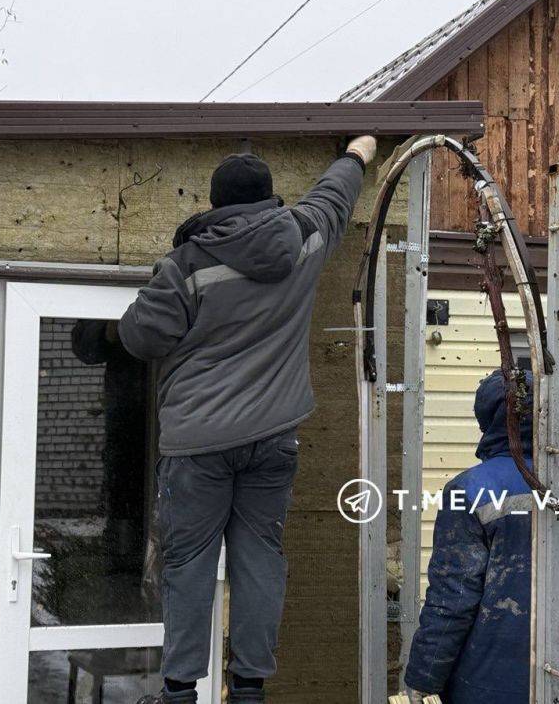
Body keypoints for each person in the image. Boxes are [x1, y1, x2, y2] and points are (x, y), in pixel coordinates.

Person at [118, 136, 378, 703]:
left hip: (198, 443)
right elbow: (335, 196)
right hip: (271, 438)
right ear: (269, 200)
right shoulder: (303, 236)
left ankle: (180, 691)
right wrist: (358, 153)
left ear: (213, 205)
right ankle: (250, 688)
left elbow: (141, 336)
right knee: (260, 556)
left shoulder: (187, 264)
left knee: (189, 562)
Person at [403, 369, 559, 704]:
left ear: (489, 418)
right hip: (556, 681)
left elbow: (452, 601)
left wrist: (423, 678)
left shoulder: (469, 490)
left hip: (479, 686)